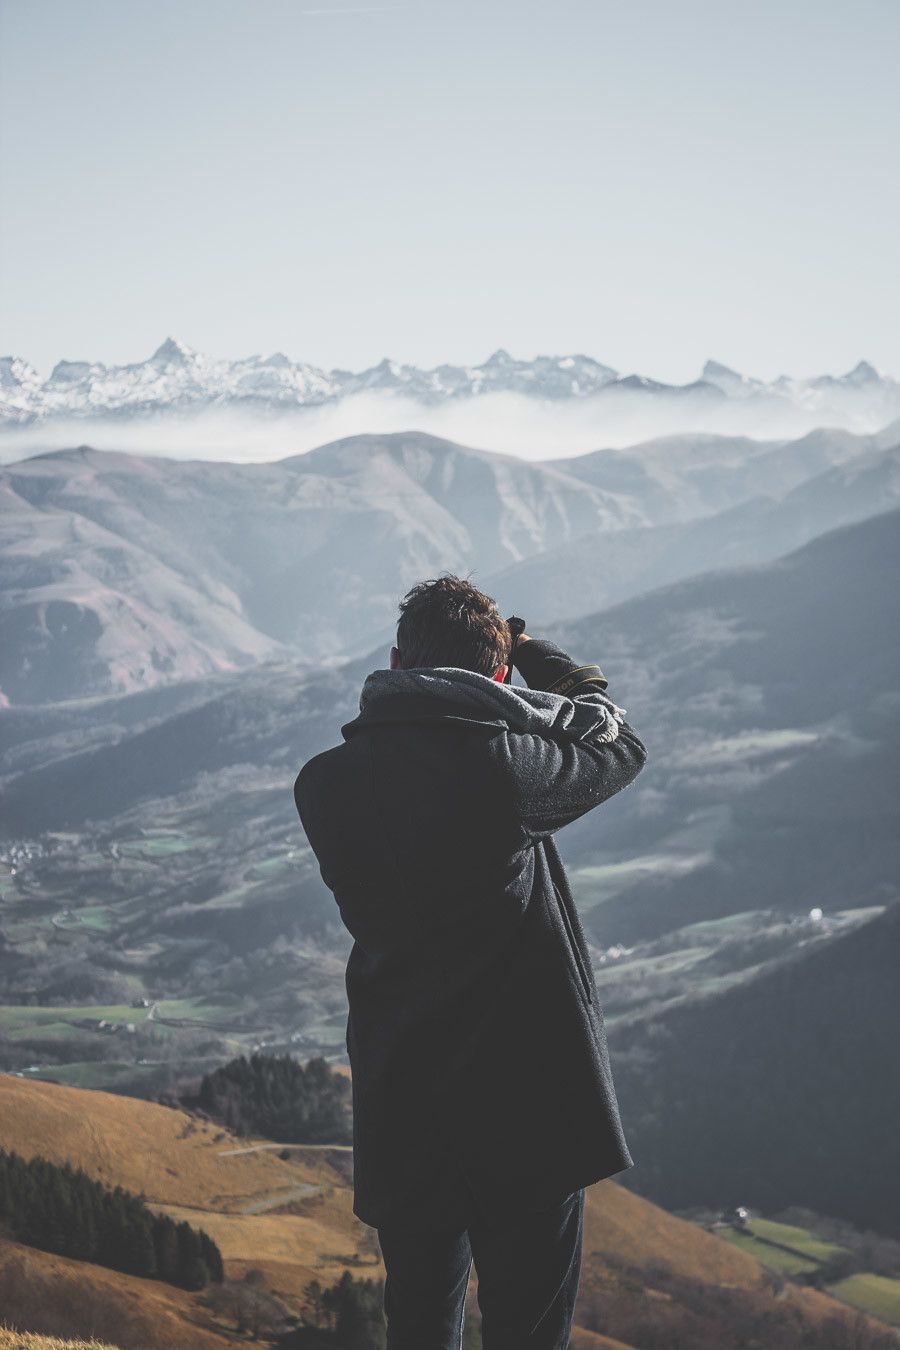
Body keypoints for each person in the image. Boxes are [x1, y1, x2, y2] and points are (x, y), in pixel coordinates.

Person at [293, 574, 648, 1349]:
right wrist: (538, 659)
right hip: (529, 1100)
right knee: (528, 1328)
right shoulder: (505, 768)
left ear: (394, 659)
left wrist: (498, 673)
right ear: (494, 675)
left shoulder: (322, 784)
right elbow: (617, 743)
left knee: (418, 1324)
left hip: (402, 1090)